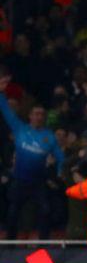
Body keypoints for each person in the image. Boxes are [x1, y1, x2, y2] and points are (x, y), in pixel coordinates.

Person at [0, 75, 63, 239]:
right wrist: (1, 93)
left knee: (46, 210)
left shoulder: (49, 136)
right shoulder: (20, 129)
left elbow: (59, 156)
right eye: (36, 114)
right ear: (30, 116)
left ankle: (44, 245)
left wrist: (60, 171)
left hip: (38, 182)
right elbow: (6, 110)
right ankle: (10, 246)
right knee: (13, 213)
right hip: (19, 180)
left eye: (42, 114)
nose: (39, 117)